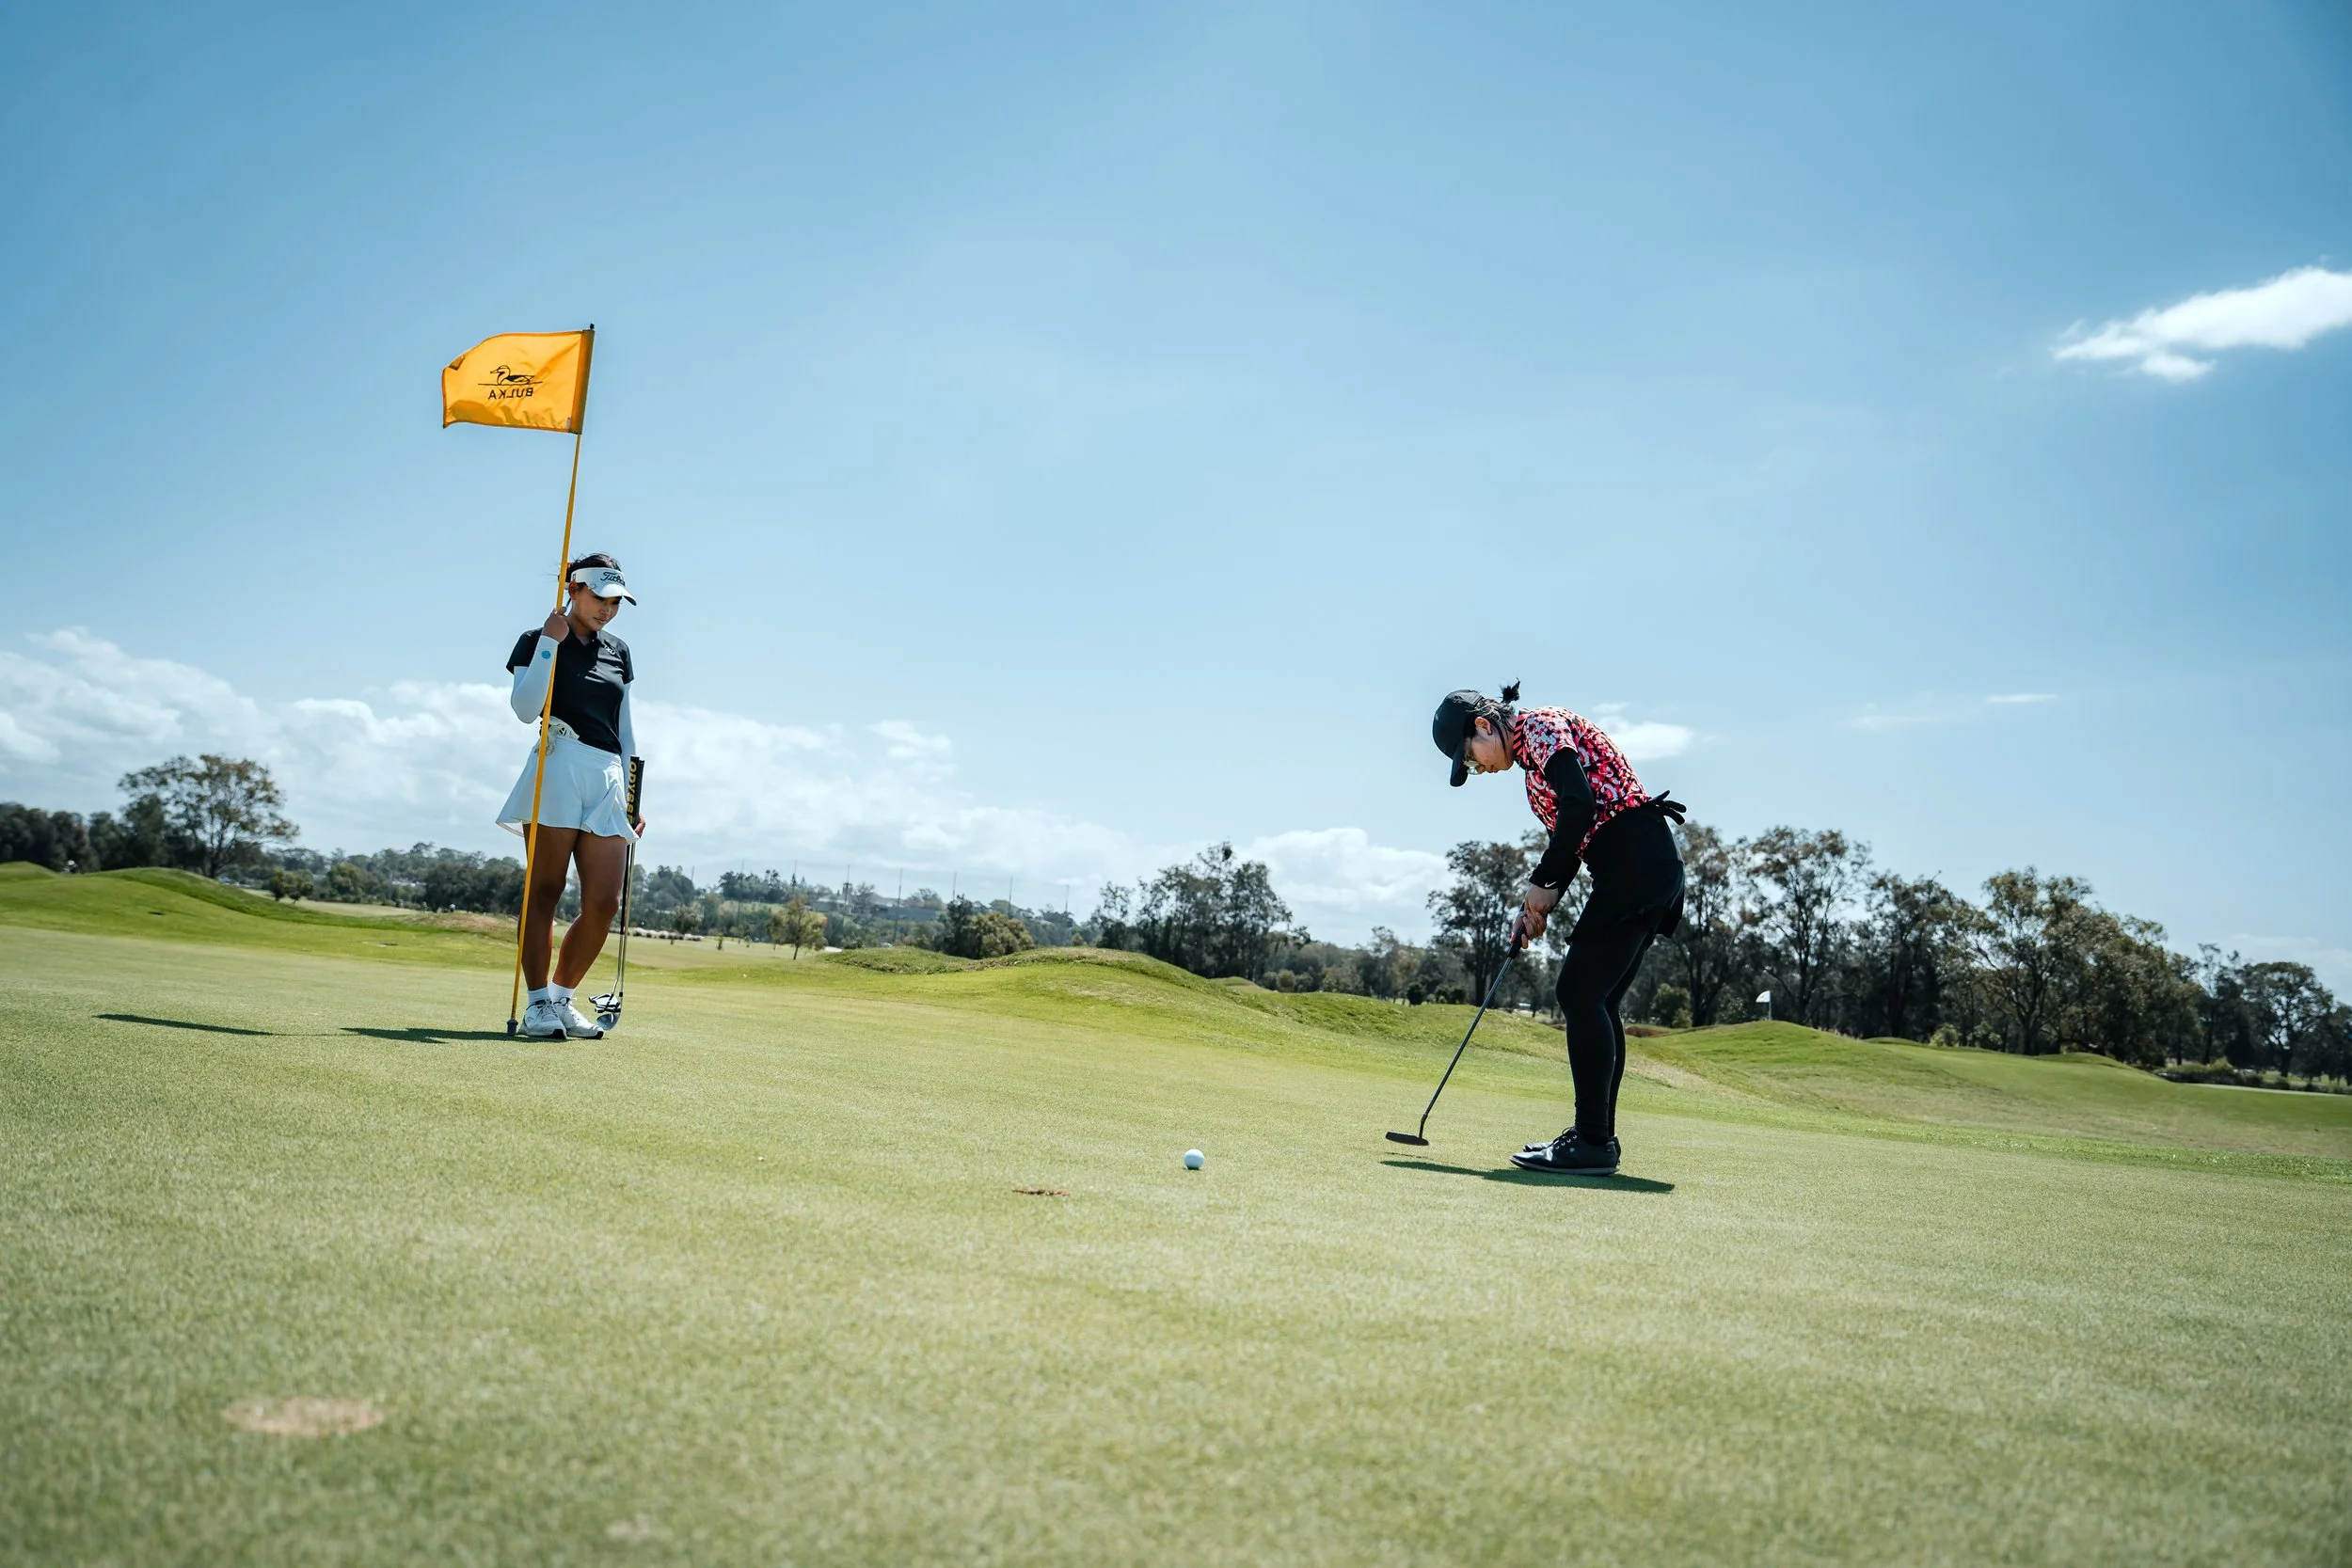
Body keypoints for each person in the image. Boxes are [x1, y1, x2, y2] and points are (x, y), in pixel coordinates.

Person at [1430, 682, 1685, 1176]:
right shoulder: (1533, 774)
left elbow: (1581, 806)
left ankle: (1592, 1141)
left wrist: (1541, 882)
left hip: (1635, 858)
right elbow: (1570, 840)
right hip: (1639, 865)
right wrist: (1537, 907)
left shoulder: (1542, 725)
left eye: (1471, 759)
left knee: (1578, 992)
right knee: (1598, 999)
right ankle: (1597, 1139)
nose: (1478, 768)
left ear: (1484, 726)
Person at [500, 553, 644, 1039]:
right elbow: (524, 709)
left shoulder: (619, 651)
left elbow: (625, 729)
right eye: (599, 598)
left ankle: (562, 998)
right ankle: (537, 1003)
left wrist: (631, 796)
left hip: (606, 775)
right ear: (574, 589)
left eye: (616, 602)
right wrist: (548, 643)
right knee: (545, 891)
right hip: (558, 762)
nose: (607, 609)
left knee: (605, 900)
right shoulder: (538, 638)